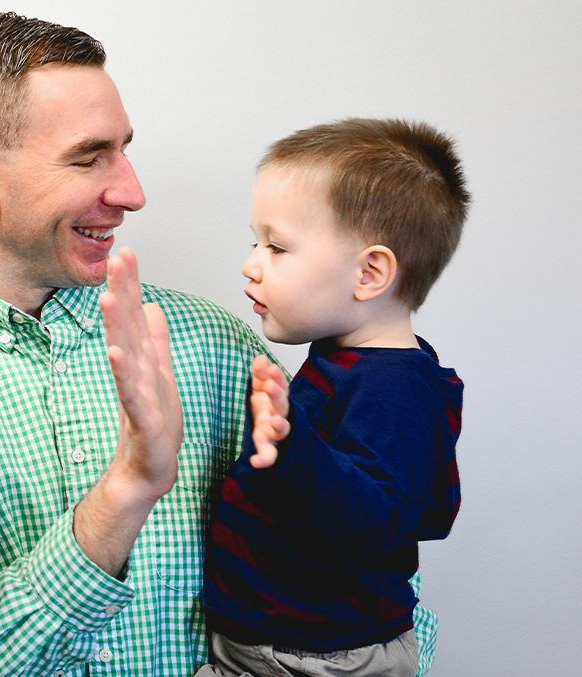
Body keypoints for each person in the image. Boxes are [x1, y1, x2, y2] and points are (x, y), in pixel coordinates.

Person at [0, 13, 441, 676]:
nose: (132, 191)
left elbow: (366, 566)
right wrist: (125, 493)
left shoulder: (220, 351)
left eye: (124, 149)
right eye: (89, 156)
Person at [198, 118, 468, 677]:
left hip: (323, 657)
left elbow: (378, 520)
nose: (251, 264)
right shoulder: (343, 361)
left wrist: (293, 446)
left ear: (370, 273)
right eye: (256, 242)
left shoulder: (397, 388)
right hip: (268, 641)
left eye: (276, 246)